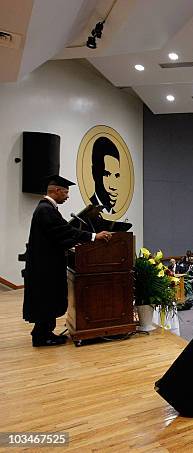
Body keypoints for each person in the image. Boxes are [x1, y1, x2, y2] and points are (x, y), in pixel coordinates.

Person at [23, 175, 111, 347]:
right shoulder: (46, 210)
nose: (67, 196)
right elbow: (63, 231)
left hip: (45, 265)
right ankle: (42, 337)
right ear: (56, 191)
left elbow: (64, 232)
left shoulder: (47, 208)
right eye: (65, 192)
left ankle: (43, 332)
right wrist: (93, 236)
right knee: (46, 299)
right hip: (45, 267)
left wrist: (80, 238)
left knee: (47, 299)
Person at [89, 137, 122, 214]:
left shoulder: (113, 212)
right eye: (107, 174)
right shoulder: (89, 211)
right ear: (95, 173)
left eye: (117, 176)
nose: (113, 187)